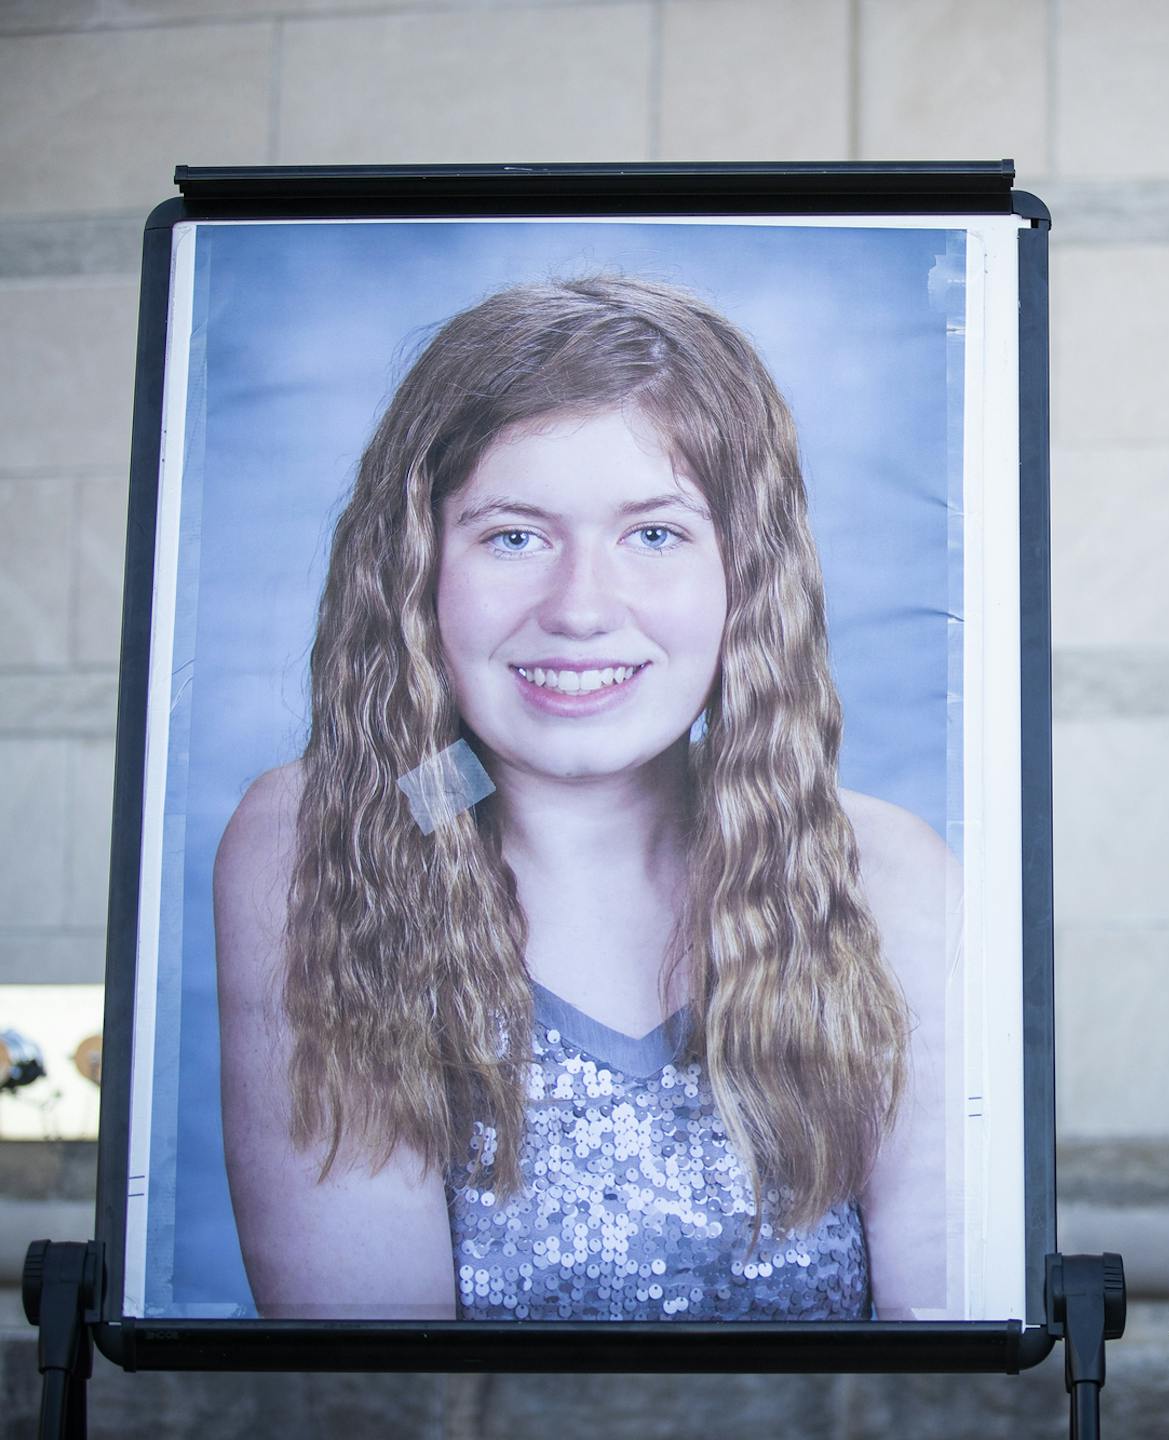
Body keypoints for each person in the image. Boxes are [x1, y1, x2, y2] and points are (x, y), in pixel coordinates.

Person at [214, 275, 956, 1322]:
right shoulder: (324, 835)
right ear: (414, 568)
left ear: (747, 575)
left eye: (654, 534)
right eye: (514, 536)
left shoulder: (885, 871)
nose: (581, 610)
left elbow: (953, 1371)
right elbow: (370, 1384)